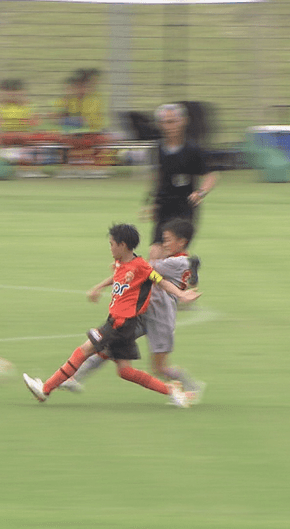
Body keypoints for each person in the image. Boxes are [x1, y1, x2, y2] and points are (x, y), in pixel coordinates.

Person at [22, 223, 200, 407]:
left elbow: (161, 281)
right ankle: (171, 391)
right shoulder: (121, 263)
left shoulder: (141, 267)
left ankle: (45, 389)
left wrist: (180, 294)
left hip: (120, 324)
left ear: (122, 245)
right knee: (125, 371)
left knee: (83, 350)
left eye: (111, 244)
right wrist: (98, 287)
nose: (110, 248)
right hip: (123, 324)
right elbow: (117, 275)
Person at [142, 102, 218, 282]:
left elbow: (211, 175)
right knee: (155, 254)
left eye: (173, 121)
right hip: (164, 207)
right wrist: (150, 202)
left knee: (171, 253)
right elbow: (156, 177)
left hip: (184, 207)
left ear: (183, 121)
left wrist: (200, 193)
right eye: (165, 122)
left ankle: (183, 280)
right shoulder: (157, 149)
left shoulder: (193, 150)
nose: (170, 126)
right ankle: (187, 269)